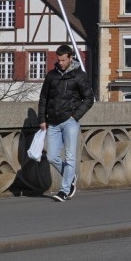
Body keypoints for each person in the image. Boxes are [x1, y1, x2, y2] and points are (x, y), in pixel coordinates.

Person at [37, 44, 94, 202]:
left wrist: (75, 116)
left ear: (70, 58)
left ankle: (64, 190)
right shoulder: (51, 76)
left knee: (70, 157)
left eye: (63, 60)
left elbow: (89, 98)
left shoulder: (79, 76)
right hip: (53, 122)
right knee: (51, 156)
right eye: (58, 60)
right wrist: (42, 119)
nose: (60, 62)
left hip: (70, 122)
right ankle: (70, 177)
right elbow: (44, 98)